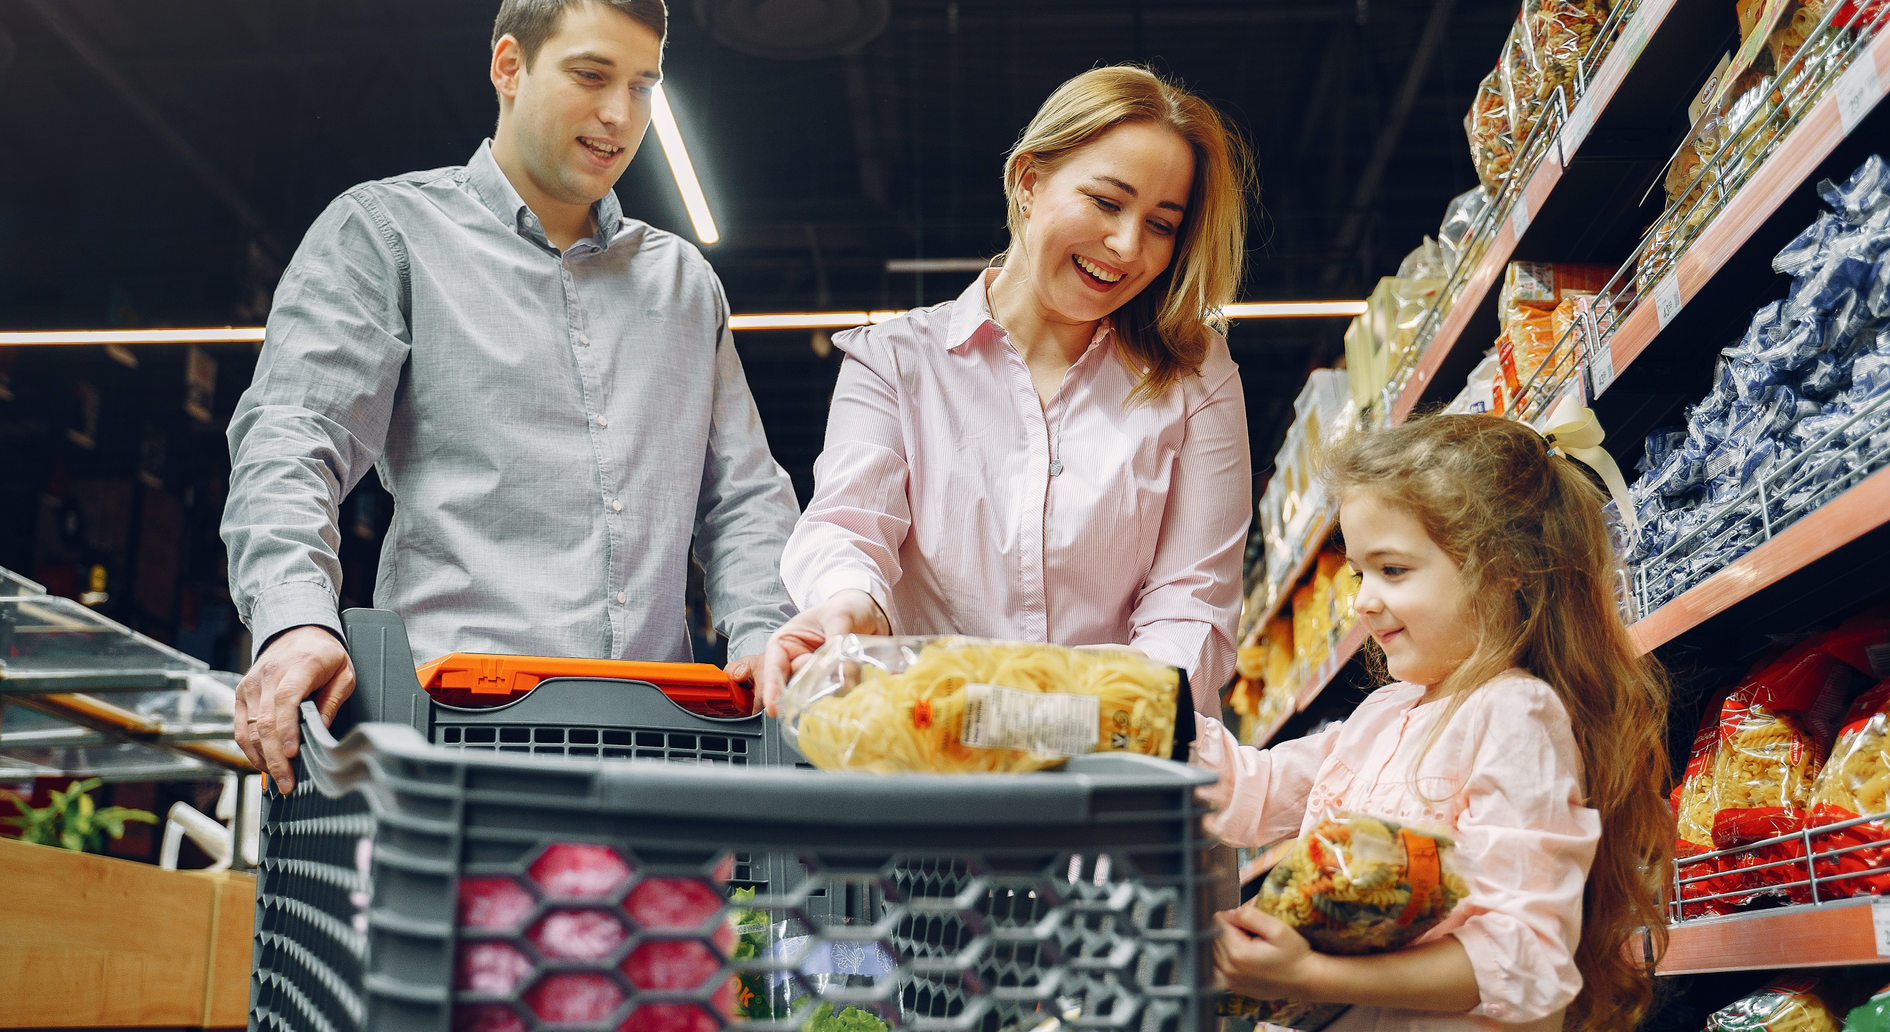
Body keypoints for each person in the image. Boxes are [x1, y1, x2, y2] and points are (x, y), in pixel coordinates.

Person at [222, 0, 798, 793]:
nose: (617, 114)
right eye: (591, 75)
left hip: (660, 756)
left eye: (641, 86)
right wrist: (292, 620)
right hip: (449, 749)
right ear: (508, 67)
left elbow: (744, 497)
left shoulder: (683, 284)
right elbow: (291, 439)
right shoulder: (389, 234)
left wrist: (766, 637)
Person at [758, 66, 1253, 719]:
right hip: (937, 759)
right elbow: (850, 524)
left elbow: (1193, 602)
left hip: (1120, 775)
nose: (1128, 245)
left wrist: (1081, 722)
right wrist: (849, 605)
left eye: (1161, 224)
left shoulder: (1195, 374)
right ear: (1029, 181)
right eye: (1107, 202)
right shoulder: (896, 362)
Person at [1201, 414, 1673, 1032]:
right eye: (1359, 574)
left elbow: (1524, 957)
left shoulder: (1515, 715)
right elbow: (1256, 793)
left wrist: (1310, 977)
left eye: (1392, 570)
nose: (1364, 600)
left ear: (1505, 570)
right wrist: (1142, 715)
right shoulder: (1386, 714)